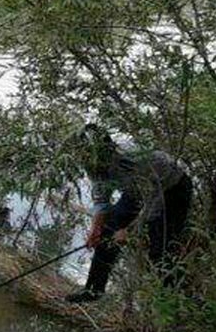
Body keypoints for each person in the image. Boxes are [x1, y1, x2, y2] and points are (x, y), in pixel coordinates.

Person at [67, 124, 194, 303]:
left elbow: (153, 204)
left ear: (107, 150)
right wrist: (95, 229)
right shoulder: (93, 163)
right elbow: (101, 194)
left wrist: (130, 230)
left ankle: (177, 302)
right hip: (136, 190)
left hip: (171, 188)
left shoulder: (134, 159)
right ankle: (93, 291)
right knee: (107, 232)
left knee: (160, 251)